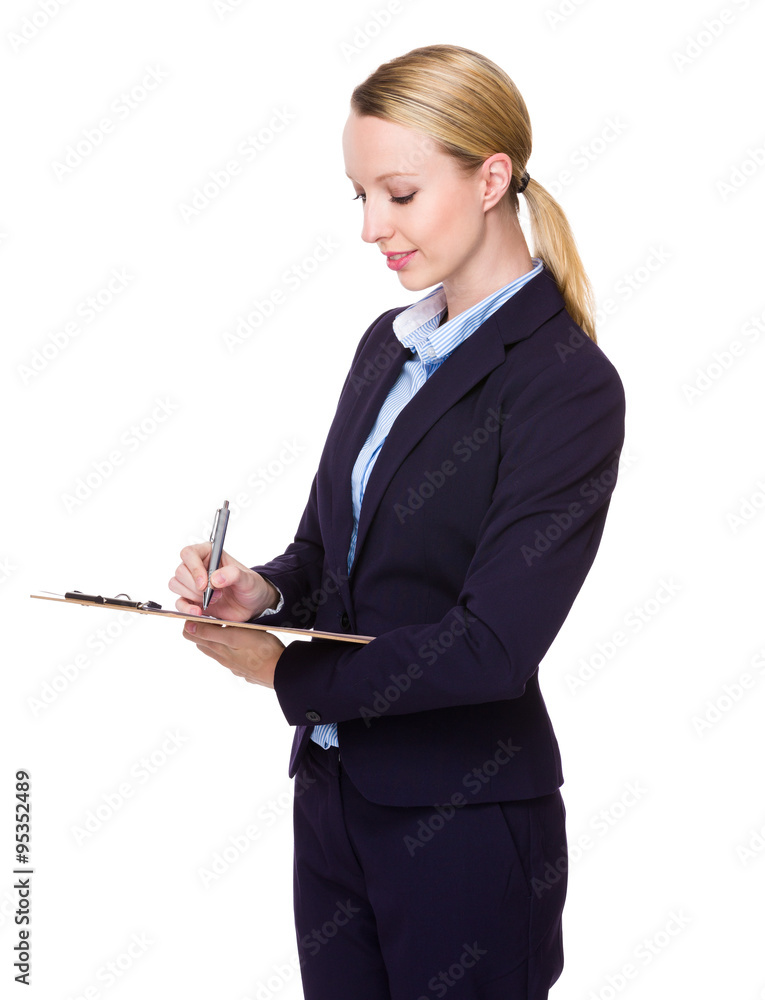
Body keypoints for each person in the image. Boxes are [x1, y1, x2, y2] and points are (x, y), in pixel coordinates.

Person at [169, 44, 625, 1000]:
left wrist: (287, 668)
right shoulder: (387, 346)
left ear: (491, 178)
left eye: (400, 193)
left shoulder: (565, 387)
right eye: (359, 196)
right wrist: (262, 589)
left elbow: (494, 646)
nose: (372, 226)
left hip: (461, 824)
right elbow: (325, 557)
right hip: (335, 801)